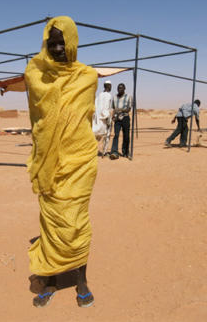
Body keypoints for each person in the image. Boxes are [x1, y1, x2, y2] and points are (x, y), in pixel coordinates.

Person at [24, 16, 97, 308]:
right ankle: (51, 279)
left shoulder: (88, 76)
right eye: (51, 42)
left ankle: (81, 280)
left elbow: (81, 119)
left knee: (76, 223)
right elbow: (40, 122)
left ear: (73, 42)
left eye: (61, 42)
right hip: (51, 165)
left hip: (80, 163)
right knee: (51, 224)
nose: (56, 48)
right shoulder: (37, 75)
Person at [110, 83, 132, 159]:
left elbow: (128, 109)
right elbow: (113, 108)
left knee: (126, 136)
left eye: (121, 88)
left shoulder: (128, 97)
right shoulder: (114, 97)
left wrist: (120, 110)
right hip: (117, 119)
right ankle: (114, 152)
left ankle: (125, 152)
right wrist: (113, 116)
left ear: (124, 89)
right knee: (116, 135)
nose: (120, 89)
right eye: (118, 88)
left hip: (125, 118)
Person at [92, 80, 113, 156]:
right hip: (104, 119)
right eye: (110, 86)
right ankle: (104, 152)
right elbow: (105, 108)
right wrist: (107, 118)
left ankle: (93, 151)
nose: (111, 87)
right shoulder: (108, 95)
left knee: (96, 136)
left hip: (97, 119)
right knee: (106, 136)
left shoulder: (99, 95)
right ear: (108, 86)